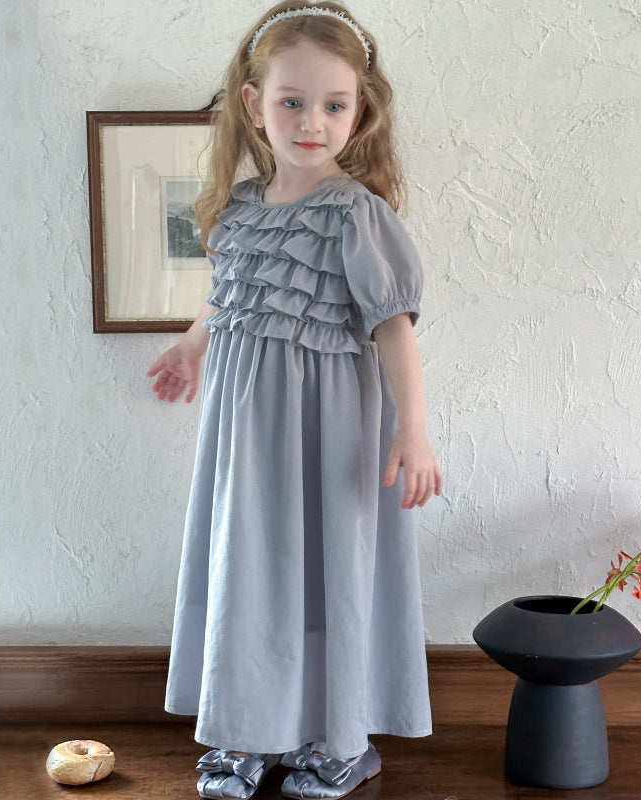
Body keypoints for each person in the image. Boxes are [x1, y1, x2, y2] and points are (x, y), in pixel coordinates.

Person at [148, 3, 444, 797]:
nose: (313, 122)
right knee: (249, 567)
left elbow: (395, 330)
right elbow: (231, 295)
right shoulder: (241, 210)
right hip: (246, 433)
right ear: (253, 104)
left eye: (333, 105)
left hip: (328, 431)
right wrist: (191, 344)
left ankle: (338, 739)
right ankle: (248, 731)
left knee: (323, 572)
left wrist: (415, 431)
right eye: (292, 101)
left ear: (359, 111)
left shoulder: (357, 215)